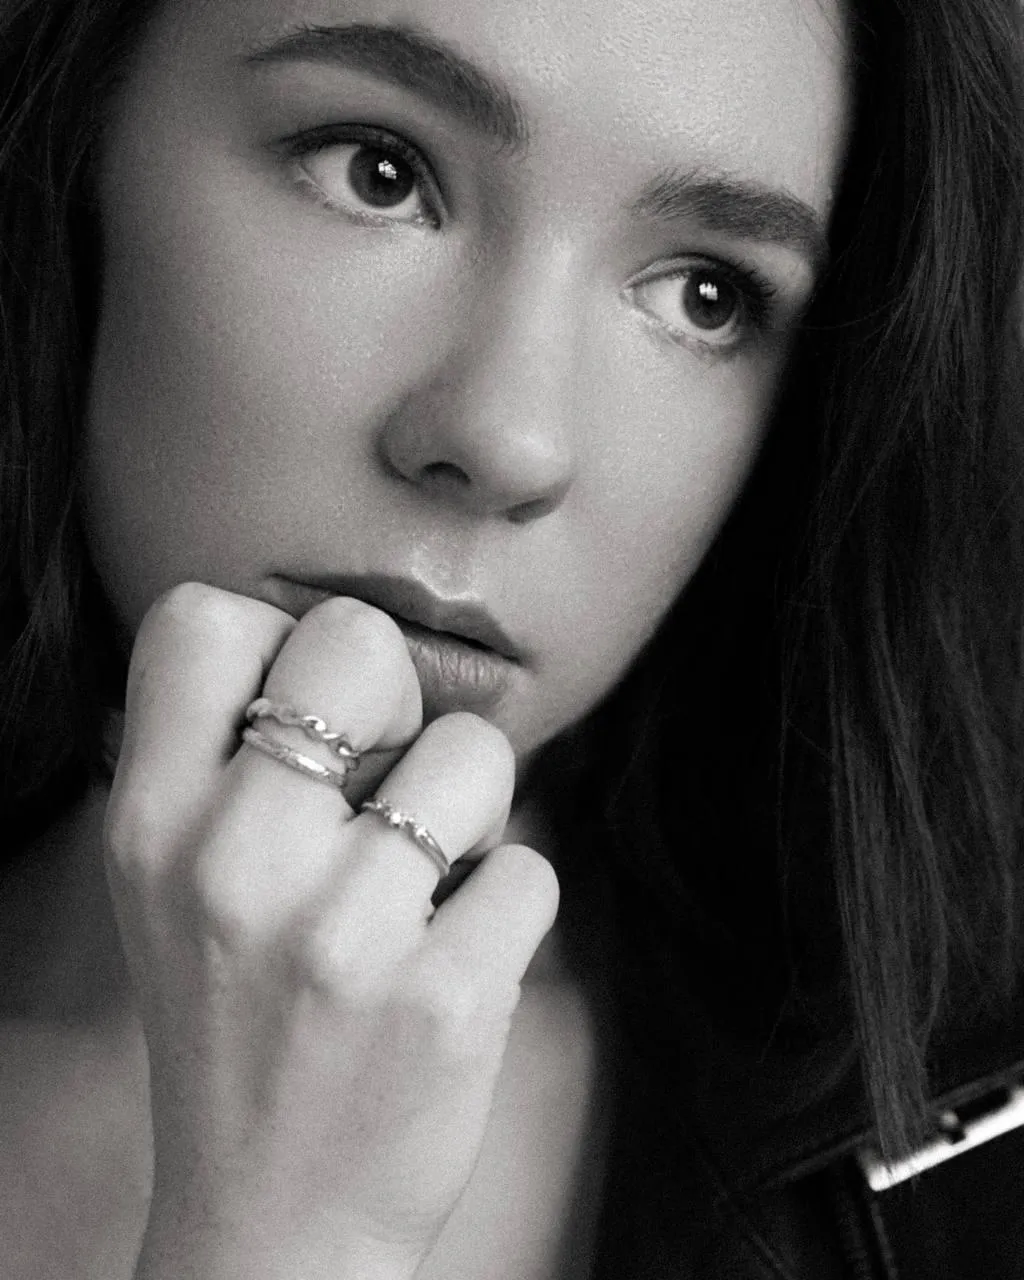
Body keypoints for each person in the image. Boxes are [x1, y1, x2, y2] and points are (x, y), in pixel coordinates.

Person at [1, 0, 1023, 1276]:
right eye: (380, 170)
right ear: (73, 147)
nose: (507, 439)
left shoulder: (971, 1175)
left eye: (706, 297)